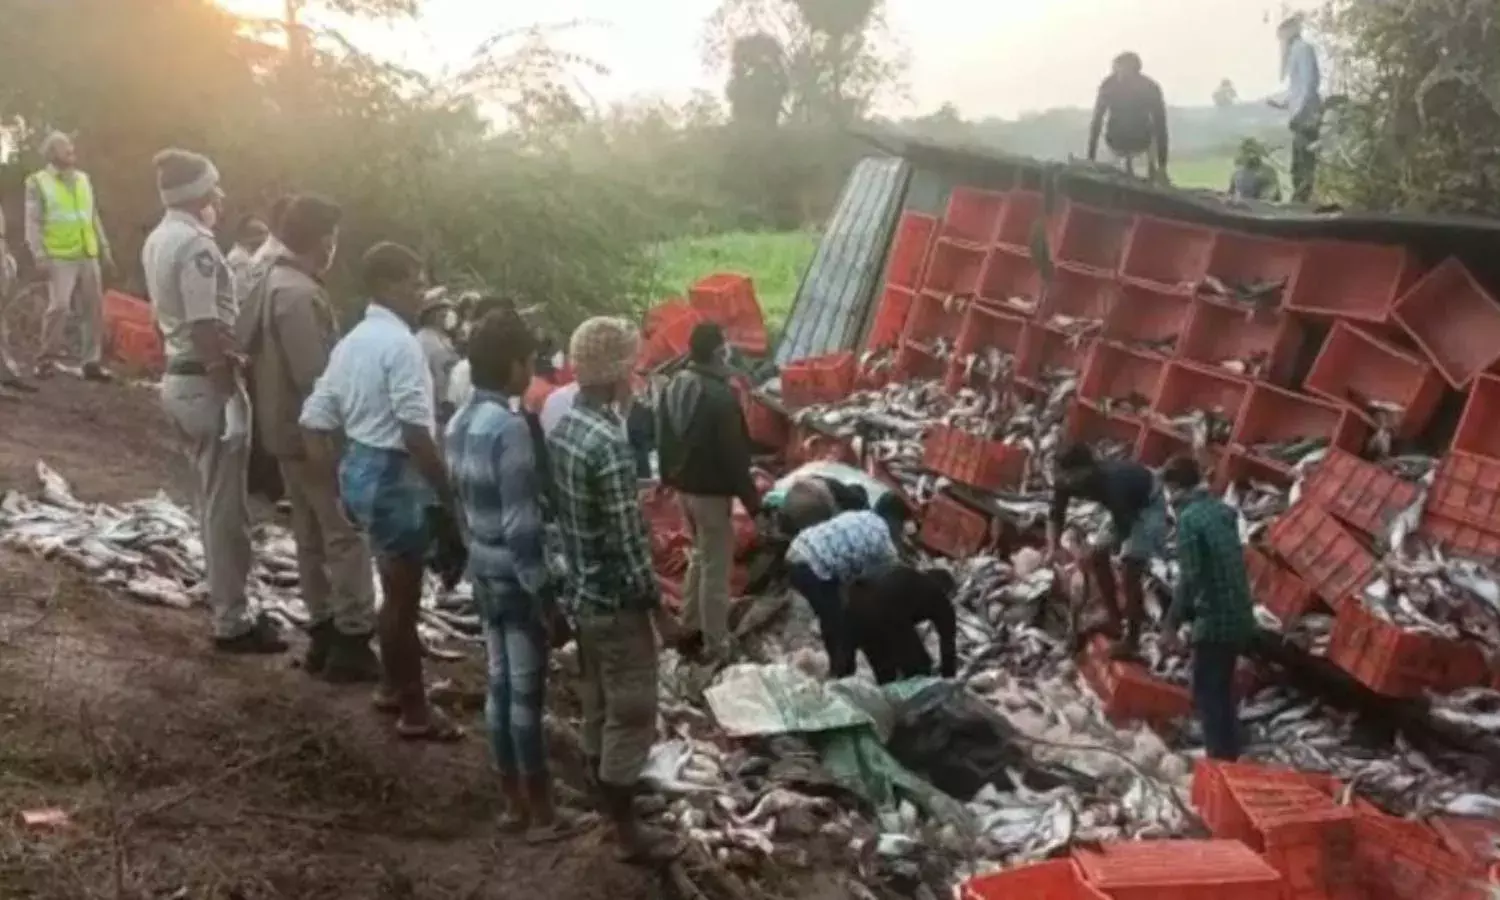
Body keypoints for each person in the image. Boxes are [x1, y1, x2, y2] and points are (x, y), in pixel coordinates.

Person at [300, 241, 462, 742]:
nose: (419, 293)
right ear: (388, 286)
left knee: (392, 585)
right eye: (414, 283)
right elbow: (416, 432)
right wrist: (448, 497)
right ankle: (413, 709)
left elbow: (313, 420)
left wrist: (335, 481)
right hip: (394, 473)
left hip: (359, 467)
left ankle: (392, 684)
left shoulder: (352, 341)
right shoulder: (402, 346)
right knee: (401, 600)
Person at [446, 310, 591, 843]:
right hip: (514, 577)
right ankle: (543, 814)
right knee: (526, 694)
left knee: (499, 684)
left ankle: (512, 803)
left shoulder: (458, 423)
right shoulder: (509, 430)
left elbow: (461, 507)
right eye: (528, 363)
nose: (531, 371)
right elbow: (522, 525)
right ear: (511, 366)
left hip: (482, 571)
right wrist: (545, 596)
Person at [548, 316, 682, 865]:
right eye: (631, 366)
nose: (637, 376)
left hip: (581, 596)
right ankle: (625, 832)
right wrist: (661, 611)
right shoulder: (610, 443)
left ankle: (607, 797)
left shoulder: (564, 431)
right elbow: (629, 548)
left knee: (599, 702)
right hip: (615, 603)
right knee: (633, 709)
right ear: (615, 375)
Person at [143, 148, 285, 654]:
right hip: (206, 385)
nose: (221, 197)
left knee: (211, 503)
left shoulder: (160, 237)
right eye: (215, 188)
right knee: (227, 513)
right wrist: (229, 392)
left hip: (180, 381)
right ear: (200, 195)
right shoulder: (198, 247)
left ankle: (223, 597)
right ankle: (233, 620)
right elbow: (205, 328)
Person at [238, 194, 379, 682]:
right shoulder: (298, 294)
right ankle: (352, 638)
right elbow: (314, 374)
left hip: (282, 430)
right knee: (343, 534)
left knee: (310, 535)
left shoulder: (270, 280)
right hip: (312, 433)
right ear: (323, 241)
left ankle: (324, 632)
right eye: (333, 238)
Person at [657, 323, 762, 660]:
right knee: (716, 569)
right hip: (712, 494)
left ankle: (689, 626)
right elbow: (735, 458)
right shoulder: (720, 398)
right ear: (718, 352)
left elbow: (662, 439)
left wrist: (668, 478)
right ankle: (716, 643)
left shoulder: (674, 386)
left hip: (683, 490)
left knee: (699, 559)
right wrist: (753, 502)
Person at [1159, 456, 1256, 761]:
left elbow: (1190, 577)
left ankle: (1219, 761)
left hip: (1216, 618)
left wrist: (1170, 624)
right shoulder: (1220, 509)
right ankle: (1232, 751)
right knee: (1221, 684)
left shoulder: (1189, 519)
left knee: (1205, 689)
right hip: (1240, 610)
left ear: (1173, 488)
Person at [1046, 443, 1167, 660]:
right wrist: (1052, 547)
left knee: (1131, 569)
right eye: (1061, 474)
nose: (1063, 480)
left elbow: (1125, 526)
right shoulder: (1066, 480)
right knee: (1097, 558)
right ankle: (1114, 620)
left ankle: (1132, 641)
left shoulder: (1110, 482)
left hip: (1148, 502)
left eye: (1067, 474)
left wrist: (1092, 551)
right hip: (1124, 506)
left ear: (1085, 470)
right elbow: (1056, 513)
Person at [785, 493, 911, 677]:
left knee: (834, 616)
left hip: (795, 553)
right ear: (895, 520)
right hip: (814, 566)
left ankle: (839, 669)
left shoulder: (857, 515)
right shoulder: (884, 541)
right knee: (839, 625)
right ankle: (842, 676)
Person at [26, 131, 115, 381]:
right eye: (65, 147)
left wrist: (104, 247)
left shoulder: (84, 179)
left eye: (71, 146)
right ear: (52, 152)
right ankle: (45, 360)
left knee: (93, 309)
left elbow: (92, 216)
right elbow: (33, 222)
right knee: (60, 307)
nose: (71, 150)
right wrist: (39, 254)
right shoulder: (37, 182)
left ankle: (91, 363)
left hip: (87, 252)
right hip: (59, 256)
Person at [843, 565, 957, 685]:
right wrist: (949, 679)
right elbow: (948, 643)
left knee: (885, 673)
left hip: (856, 609)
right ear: (945, 590)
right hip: (888, 613)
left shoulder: (905, 574)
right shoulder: (939, 597)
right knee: (919, 670)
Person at [1087, 52, 1170, 182]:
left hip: (1140, 140)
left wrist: (1162, 166)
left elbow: (1161, 127)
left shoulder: (1148, 87)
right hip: (1117, 140)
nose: (1121, 77)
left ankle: (1152, 169)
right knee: (1154, 128)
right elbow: (1096, 123)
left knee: (1154, 128)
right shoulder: (1110, 85)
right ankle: (1152, 169)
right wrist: (1090, 159)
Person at [1271, 15, 1322, 203]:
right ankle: (1299, 200)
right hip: (1301, 116)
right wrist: (1282, 104)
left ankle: (1302, 201)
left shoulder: (1303, 50)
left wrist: (1298, 111)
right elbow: (1296, 88)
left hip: (1307, 117)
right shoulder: (1295, 52)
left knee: (1304, 163)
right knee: (1298, 163)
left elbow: (1309, 84)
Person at [415, 294, 462, 422]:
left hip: (449, 402)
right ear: (431, 315)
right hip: (437, 407)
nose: (446, 314)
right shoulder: (424, 340)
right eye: (441, 311)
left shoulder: (443, 337)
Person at [226, 214, 269, 289]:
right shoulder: (238, 258)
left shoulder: (246, 256)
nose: (265, 239)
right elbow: (242, 289)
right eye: (260, 233)